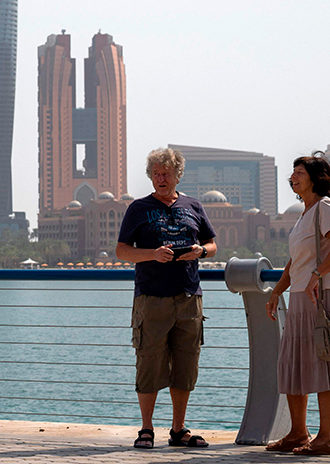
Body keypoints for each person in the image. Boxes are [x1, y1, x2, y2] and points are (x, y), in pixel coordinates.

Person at [116, 147, 217, 449]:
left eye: (166, 173)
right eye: (156, 174)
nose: (161, 178)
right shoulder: (138, 208)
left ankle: (178, 430)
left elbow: (212, 245)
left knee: (186, 364)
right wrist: (152, 255)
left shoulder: (193, 205)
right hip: (152, 297)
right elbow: (122, 251)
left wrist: (201, 251)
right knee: (149, 361)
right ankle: (146, 429)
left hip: (188, 297)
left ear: (177, 175)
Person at [264, 153, 330, 456]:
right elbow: (295, 261)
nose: (293, 177)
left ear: (315, 179)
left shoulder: (325, 207)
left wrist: (318, 274)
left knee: (325, 361)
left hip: (323, 295)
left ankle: (327, 438)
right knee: (294, 363)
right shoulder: (305, 213)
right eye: (293, 172)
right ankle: (298, 433)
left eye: (299, 172)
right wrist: (277, 291)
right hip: (301, 294)